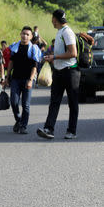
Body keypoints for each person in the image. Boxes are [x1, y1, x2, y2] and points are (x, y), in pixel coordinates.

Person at [37, 9, 79, 140]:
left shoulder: (67, 32)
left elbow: (73, 53)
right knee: (54, 102)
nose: (51, 21)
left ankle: (71, 131)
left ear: (56, 19)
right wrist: (54, 58)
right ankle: (48, 129)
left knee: (72, 102)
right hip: (59, 71)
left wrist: (55, 57)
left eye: (52, 18)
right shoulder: (60, 32)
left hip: (71, 71)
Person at [3, 26, 39, 134]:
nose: (25, 36)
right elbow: (11, 62)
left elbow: (34, 66)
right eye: (23, 33)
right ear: (20, 34)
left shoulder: (33, 49)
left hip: (27, 79)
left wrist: (30, 80)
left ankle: (23, 126)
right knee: (14, 102)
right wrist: (7, 76)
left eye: (27, 34)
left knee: (25, 105)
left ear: (31, 36)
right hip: (16, 79)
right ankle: (19, 120)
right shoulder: (15, 47)